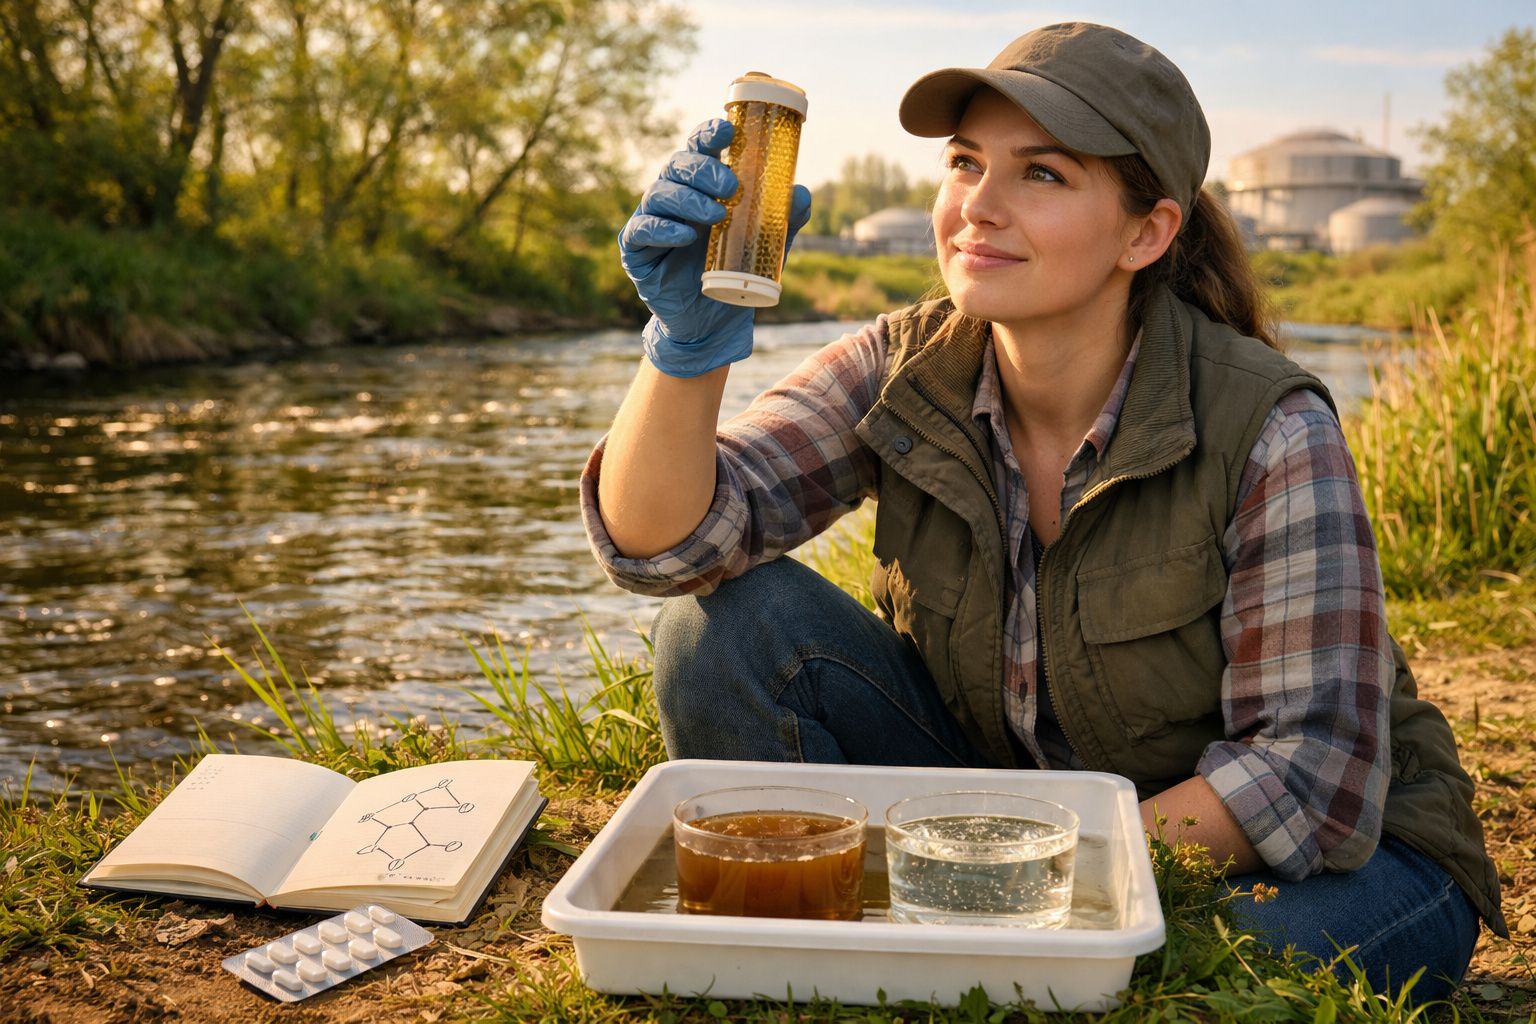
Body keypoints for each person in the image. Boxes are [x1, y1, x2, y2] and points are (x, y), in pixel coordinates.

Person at [580, 22, 1505, 1001]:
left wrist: (1025, 871)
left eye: (1042, 174)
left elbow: (1309, 776)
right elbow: (666, 546)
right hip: (1010, 819)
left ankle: (961, 946)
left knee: (1190, 975)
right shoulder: (903, 366)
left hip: (1317, 860)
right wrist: (684, 350)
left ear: (1146, 233)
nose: (978, 205)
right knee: (718, 627)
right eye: (965, 162)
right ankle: (829, 945)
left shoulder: (1271, 426)